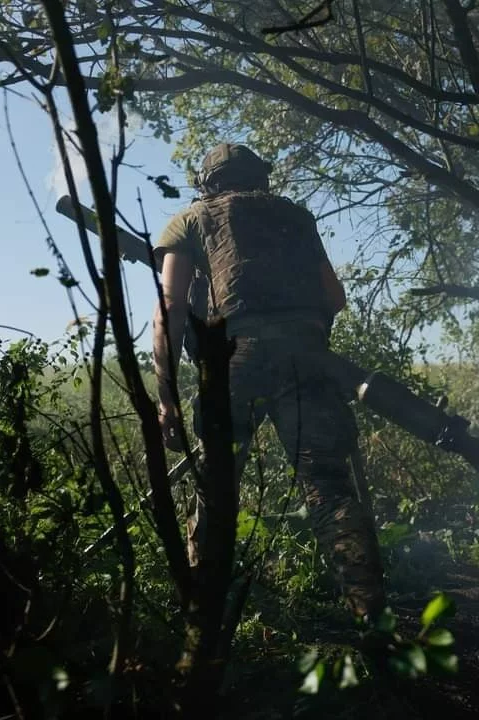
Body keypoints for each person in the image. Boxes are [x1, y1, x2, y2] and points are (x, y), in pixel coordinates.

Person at [151, 142, 386, 621]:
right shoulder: (296, 217)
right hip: (308, 359)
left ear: (207, 182)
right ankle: (372, 618)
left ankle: (203, 622)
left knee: (217, 490)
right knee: (329, 486)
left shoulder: (192, 219)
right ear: (260, 177)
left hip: (234, 358)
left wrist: (167, 397)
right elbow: (335, 297)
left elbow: (170, 310)